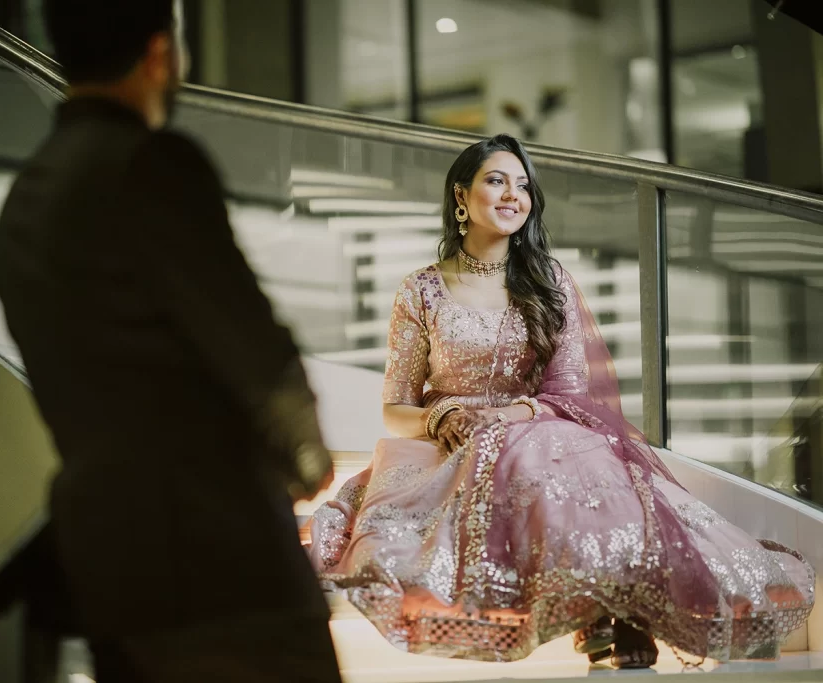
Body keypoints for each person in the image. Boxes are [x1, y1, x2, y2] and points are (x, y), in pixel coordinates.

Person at [307, 134, 815, 669]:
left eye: (523, 186)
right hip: (452, 444)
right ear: (461, 196)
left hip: (538, 428)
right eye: (496, 181)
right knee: (535, 455)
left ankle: (616, 604)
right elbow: (395, 409)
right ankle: (599, 610)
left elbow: (570, 393)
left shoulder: (550, 283)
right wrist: (444, 414)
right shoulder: (422, 290)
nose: (512, 195)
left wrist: (507, 416)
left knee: (558, 447)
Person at [0, 1, 341, 680]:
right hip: (222, 563)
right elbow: (250, 342)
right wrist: (306, 458)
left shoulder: (26, 198)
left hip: (109, 571)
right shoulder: (152, 164)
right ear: (160, 55)